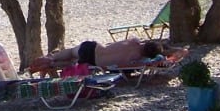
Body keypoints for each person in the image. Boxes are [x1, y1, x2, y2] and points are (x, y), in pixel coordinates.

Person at [30, 37, 163, 72]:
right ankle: (52, 64)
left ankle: (50, 58)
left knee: (71, 52)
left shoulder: (134, 41)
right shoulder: (137, 59)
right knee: (73, 63)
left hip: (95, 47)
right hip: (95, 63)